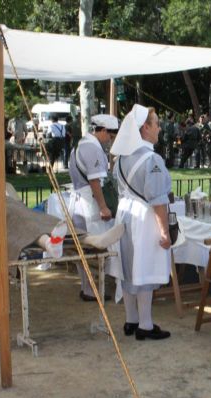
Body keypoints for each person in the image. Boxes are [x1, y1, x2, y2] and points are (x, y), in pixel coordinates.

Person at [110, 104, 172, 340]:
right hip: (144, 219)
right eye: (156, 124)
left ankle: (131, 320)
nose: (159, 128)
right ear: (145, 128)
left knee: (127, 268)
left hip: (124, 215)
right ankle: (145, 325)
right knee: (145, 267)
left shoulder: (122, 158)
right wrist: (164, 232)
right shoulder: (152, 159)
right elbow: (158, 200)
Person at [69, 114, 119, 301]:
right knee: (96, 248)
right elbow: (95, 181)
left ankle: (87, 288)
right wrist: (103, 207)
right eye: (110, 136)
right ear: (103, 131)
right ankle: (92, 289)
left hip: (80, 202)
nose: (110, 140)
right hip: (89, 203)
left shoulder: (82, 144)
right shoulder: (92, 148)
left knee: (84, 248)